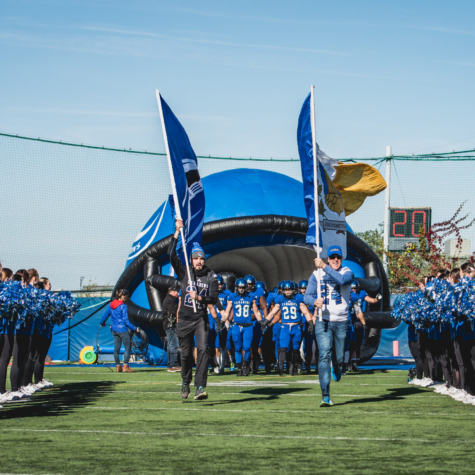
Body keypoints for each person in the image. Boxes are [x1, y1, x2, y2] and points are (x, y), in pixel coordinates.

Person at [168, 218, 220, 400]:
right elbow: (171, 255)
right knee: (186, 354)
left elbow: (213, 297)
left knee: (204, 350)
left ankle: (200, 387)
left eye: (201, 258)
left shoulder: (210, 275)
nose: (199, 261)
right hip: (184, 319)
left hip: (200, 319)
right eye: (196, 258)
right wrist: (176, 232)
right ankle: (185, 381)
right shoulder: (185, 273)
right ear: (191, 260)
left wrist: (198, 297)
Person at [304, 245, 354, 407]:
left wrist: (324, 267)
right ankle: (325, 394)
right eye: (332, 257)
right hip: (322, 320)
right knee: (323, 355)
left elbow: (342, 280)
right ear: (328, 258)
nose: (335, 260)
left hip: (341, 321)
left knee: (338, 358)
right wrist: (314, 301)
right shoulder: (316, 274)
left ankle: (337, 366)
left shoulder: (347, 271)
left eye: (338, 257)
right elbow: (307, 296)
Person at [265, 281, 315, 376]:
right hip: (285, 327)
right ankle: (280, 367)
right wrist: (265, 322)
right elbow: (272, 313)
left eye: (289, 290)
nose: (288, 292)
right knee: (283, 348)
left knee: (295, 349)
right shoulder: (280, 299)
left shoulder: (298, 299)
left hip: (296, 327)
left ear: (294, 290)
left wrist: (311, 323)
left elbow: (306, 313)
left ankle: (295, 369)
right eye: (286, 290)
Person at [222, 278, 263, 376]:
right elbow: (227, 311)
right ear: (236, 288)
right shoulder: (232, 297)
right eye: (239, 287)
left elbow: (256, 311)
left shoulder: (250, 296)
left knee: (247, 347)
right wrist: (222, 321)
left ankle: (246, 366)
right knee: (237, 348)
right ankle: (239, 368)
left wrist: (261, 322)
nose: (241, 289)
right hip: (236, 325)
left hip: (248, 326)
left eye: (243, 287)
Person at [100, 289, 140, 373]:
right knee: (127, 348)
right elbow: (126, 321)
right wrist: (134, 328)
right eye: (126, 296)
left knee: (116, 349)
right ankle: (125, 366)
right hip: (122, 330)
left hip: (114, 329)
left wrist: (102, 323)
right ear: (122, 296)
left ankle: (118, 367)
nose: (126, 297)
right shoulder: (123, 306)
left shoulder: (111, 304)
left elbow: (105, 315)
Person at [162, 285, 181, 373]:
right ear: (173, 292)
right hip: (170, 326)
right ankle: (173, 364)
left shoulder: (169, 299)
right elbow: (174, 312)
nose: (178, 293)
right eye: (177, 292)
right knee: (173, 345)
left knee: (172, 345)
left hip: (170, 325)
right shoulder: (170, 301)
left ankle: (172, 364)